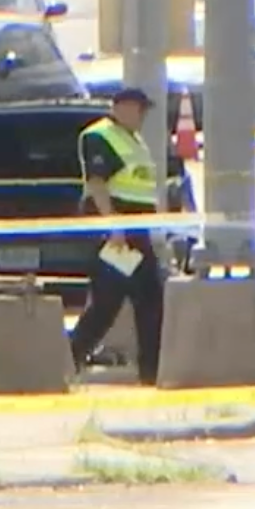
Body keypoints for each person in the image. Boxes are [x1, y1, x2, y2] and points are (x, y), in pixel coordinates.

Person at [69, 88, 165, 386]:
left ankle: (151, 371)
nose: (143, 116)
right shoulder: (99, 136)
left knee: (149, 299)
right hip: (115, 235)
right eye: (139, 109)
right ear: (122, 107)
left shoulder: (134, 141)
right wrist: (114, 226)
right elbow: (97, 184)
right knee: (107, 303)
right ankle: (69, 360)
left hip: (136, 234)